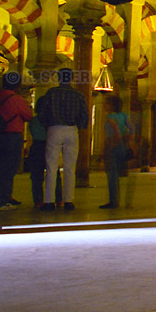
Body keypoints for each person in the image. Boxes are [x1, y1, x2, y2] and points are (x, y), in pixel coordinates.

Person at [36, 67, 89, 211]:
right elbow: (84, 115)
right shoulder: (78, 95)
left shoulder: (51, 93)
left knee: (51, 166)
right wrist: (78, 126)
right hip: (71, 130)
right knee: (70, 168)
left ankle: (49, 201)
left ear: (58, 78)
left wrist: (48, 126)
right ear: (71, 78)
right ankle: (68, 201)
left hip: (54, 129)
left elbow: (42, 113)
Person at [0, 72, 34, 211]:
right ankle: (2, 199)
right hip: (12, 136)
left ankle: (2, 196)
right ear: (17, 85)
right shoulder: (17, 99)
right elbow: (28, 116)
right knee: (9, 167)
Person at [101, 95, 131, 208]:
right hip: (122, 146)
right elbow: (131, 128)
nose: (104, 105)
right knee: (116, 174)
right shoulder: (123, 116)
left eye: (106, 103)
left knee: (112, 174)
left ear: (112, 105)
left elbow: (116, 130)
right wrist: (127, 141)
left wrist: (115, 141)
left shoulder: (110, 117)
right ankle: (115, 200)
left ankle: (113, 201)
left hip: (112, 145)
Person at [28, 114, 62, 208]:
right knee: (54, 172)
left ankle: (38, 201)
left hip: (37, 146)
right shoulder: (52, 119)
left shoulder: (34, 120)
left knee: (36, 175)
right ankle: (59, 199)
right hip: (50, 145)